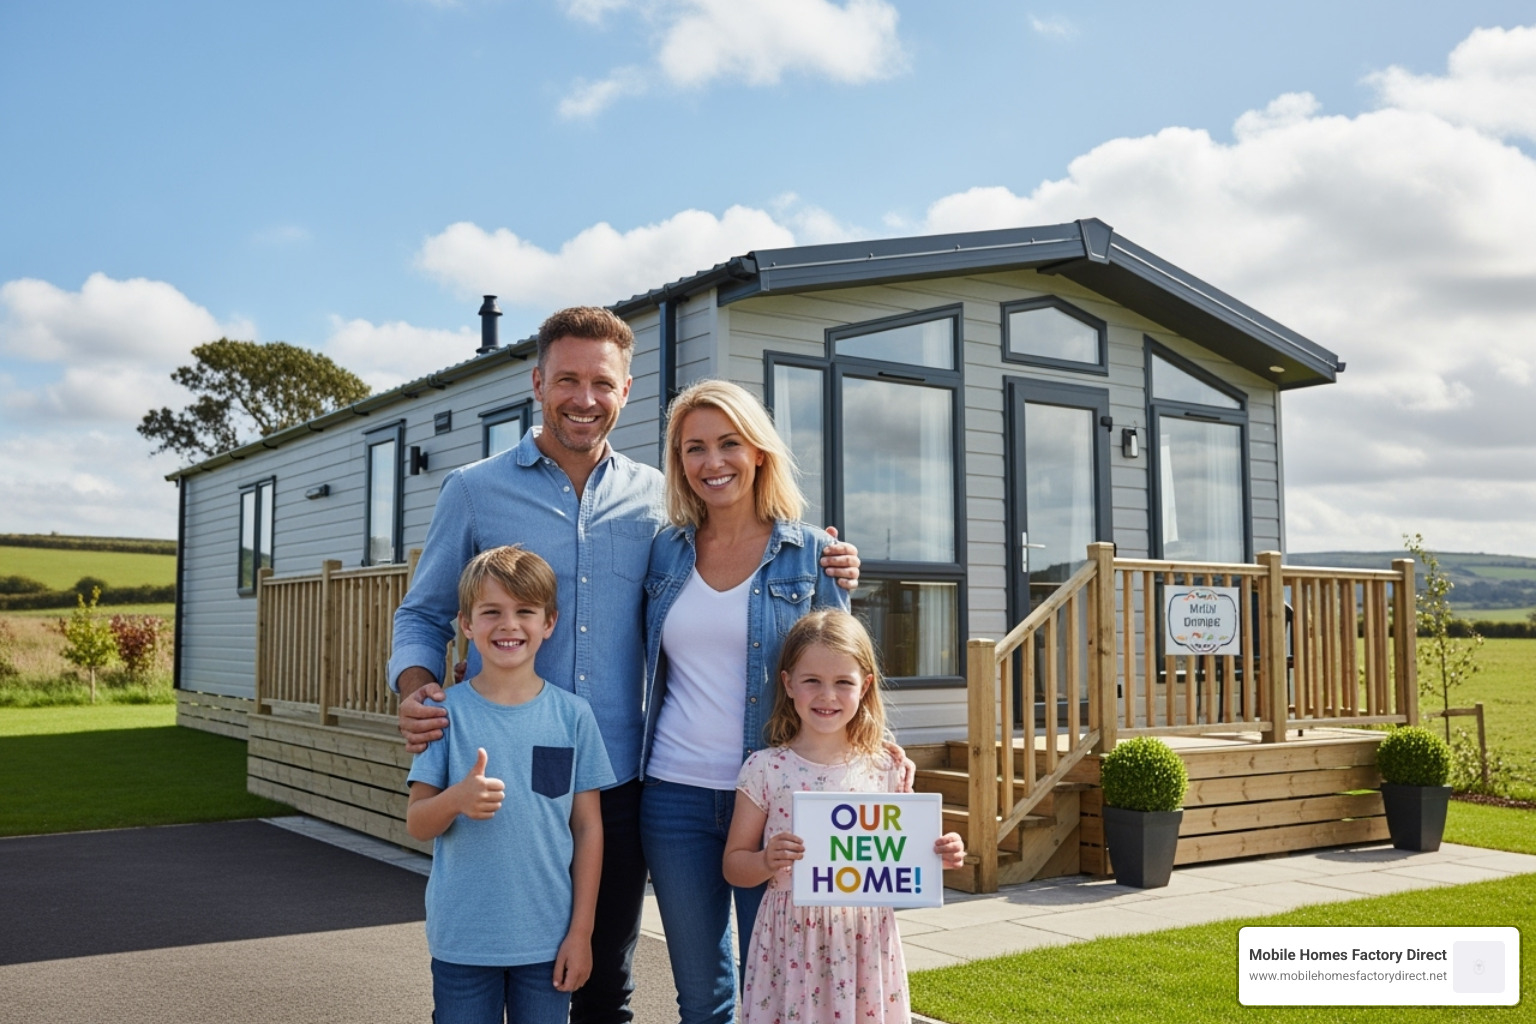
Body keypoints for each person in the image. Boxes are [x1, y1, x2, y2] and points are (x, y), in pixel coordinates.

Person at [388, 306, 861, 1024]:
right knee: (494, 961)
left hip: (620, 778)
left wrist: (831, 561)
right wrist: (420, 688)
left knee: (606, 981)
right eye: (568, 380)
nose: (584, 398)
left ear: (626, 390)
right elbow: (423, 614)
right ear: (537, 381)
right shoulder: (474, 490)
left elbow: (788, 601)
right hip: (507, 768)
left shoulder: (658, 507)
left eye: (601, 383)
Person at [639, 379, 856, 1024]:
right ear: (679, 463)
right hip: (672, 796)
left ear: (759, 451)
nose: (713, 463)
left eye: (729, 443)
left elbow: (842, 675)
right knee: (702, 997)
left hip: (776, 799)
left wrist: (875, 762)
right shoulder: (665, 550)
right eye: (694, 448)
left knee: (784, 990)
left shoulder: (812, 553)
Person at [723, 609, 966, 1024]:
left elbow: (904, 853)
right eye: (812, 681)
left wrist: (942, 852)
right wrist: (765, 861)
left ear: (865, 686)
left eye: (843, 683)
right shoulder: (766, 769)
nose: (827, 696)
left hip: (865, 943)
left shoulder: (885, 768)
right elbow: (733, 865)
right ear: (788, 683)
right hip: (790, 945)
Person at [405, 545, 614, 1024]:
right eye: (491, 612)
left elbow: (588, 829)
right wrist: (456, 799)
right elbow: (417, 822)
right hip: (463, 940)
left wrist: (580, 932)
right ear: (466, 624)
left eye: (525, 611)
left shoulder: (573, 716)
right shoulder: (444, 714)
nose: (509, 625)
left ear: (549, 623)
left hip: (546, 940)